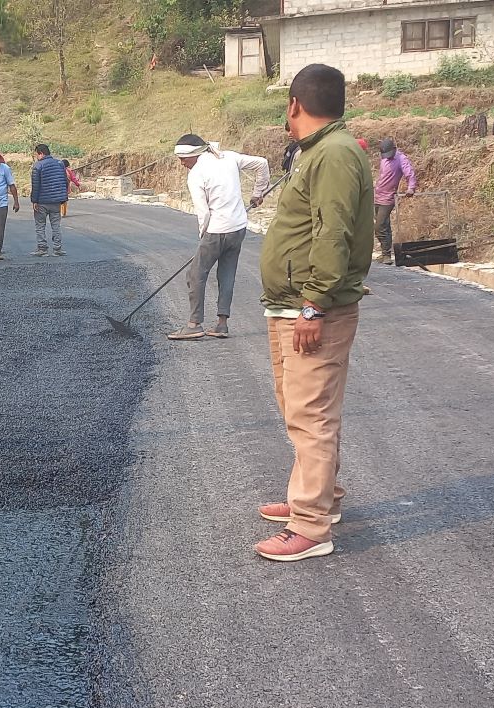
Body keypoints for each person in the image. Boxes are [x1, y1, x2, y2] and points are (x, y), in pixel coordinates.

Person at [254, 63, 373, 562]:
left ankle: (311, 524)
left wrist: (313, 303)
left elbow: (332, 233)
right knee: (298, 409)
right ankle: (320, 495)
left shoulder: (335, 154)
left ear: (295, 105)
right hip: (289, 306)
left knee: (311, 416)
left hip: (309, 306)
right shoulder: (318, 152)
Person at [166, 134, 270, 340]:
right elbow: (262, 164)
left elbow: (203, 213)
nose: (182, 163)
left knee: (195, 275)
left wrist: (203, 235)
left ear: (195, 154)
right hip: (238, 228)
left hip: (216, 230)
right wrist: (258, 193)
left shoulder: (196, 174)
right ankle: (222, 324)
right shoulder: (229, 158)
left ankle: (194, 324)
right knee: (227, 274)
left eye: (184, 159)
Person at [373, 138, 416, 265]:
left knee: (379, 226)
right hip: (378, 195)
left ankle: (386, 254)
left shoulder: (401, 159)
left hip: (388, 197)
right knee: (384, 224)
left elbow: (410, 174)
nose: (387, 157)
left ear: (395, 150)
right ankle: (385, 253)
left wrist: (411, 188)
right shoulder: (384, 158)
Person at [29, 144, 69, 257]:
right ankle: (58, 249)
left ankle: (42, 249)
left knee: (40, 225)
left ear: (41, 153)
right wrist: (63, 198)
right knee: (56, 225)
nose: (36, 157)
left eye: (36, 154)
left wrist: (34, 201)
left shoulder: (38, 166)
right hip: (56, 201)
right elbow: (65, 181)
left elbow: (35, 185)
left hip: (42, 201)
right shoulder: (60, 164)